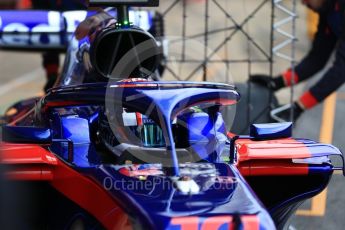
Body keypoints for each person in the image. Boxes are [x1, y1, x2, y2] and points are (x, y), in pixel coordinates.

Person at [251, 0, 345, 122]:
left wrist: (299, 106)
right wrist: (278, 82)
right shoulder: (328, 11)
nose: (303, 3)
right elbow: (317, 58)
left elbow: (341, 70)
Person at [30, 0, 87, 92]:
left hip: (76, 18)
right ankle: (52, 77)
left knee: (79, 50)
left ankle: (78, 78)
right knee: (48, 44)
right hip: (52, 17)